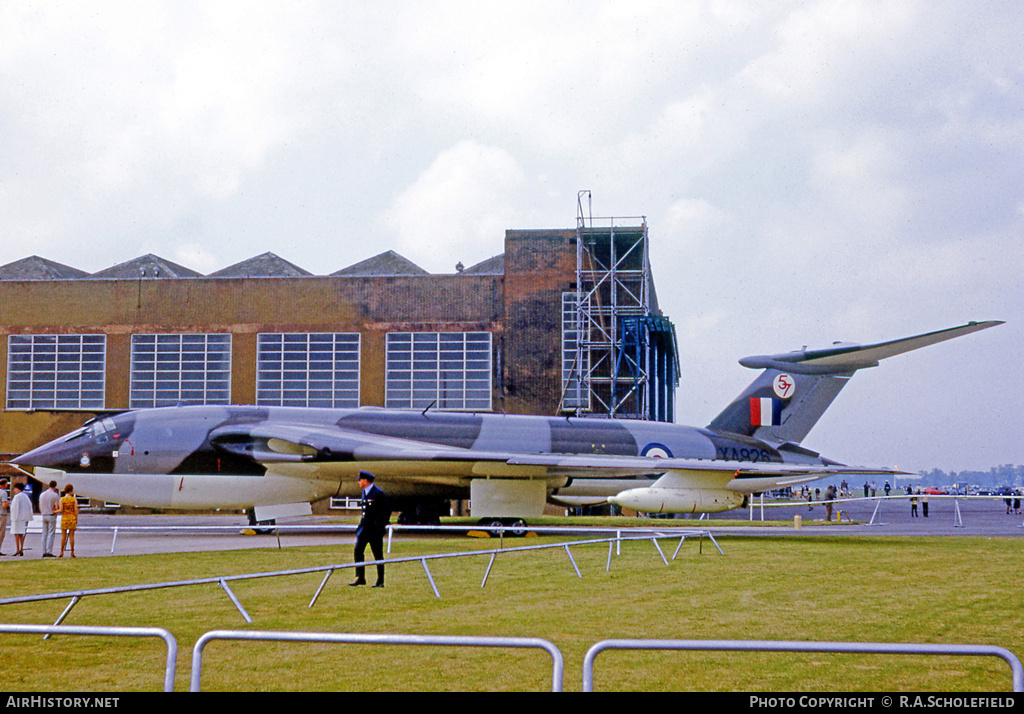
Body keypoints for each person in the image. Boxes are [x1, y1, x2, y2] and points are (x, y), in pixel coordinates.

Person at [350, 471, 390, 588]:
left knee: (377, 555)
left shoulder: (377, 493)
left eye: (360, 480)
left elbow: (386, 510)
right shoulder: (364, 492)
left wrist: (380, 525)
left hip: (375, 530)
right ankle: (360, 577)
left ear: (366, 481)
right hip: (364, 529)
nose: (358, 482)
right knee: (358, 550)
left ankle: (380, 580)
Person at [10, 483, 33, 557]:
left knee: (16, 534)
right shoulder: (25, 496)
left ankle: (17, 549)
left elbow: (15, 507)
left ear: (17, 489)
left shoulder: (17, 497)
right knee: (21, 534)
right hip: (23, 518)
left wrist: (14, 517)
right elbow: (29, 506)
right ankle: (21, 549)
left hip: (17, 518)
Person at [39, 480, 61, 558]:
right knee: (51, 533)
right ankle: (49, 551)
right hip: (51, 514)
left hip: (44, 514)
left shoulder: (42, 494)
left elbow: (40, 506)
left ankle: (43, 551)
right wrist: (55, 511)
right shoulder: (55, 495)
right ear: (55, 486)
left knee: (44, 533)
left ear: (48, 485)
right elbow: (57, 506)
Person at [59, 484, 78, 558]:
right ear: (71, 490)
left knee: (63, 536)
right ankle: (72, 552)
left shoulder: (62, 499)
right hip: (72, 518)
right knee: (71, 536)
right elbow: (76, 510)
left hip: (65, 518)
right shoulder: (74, 499)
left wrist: (55, 511)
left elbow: (61, 509)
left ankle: (61, 551)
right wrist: (76, 518)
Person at [0, 477, 9, 556]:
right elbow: (4, 505)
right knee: (1, 533)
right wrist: (9, 503)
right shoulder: (4, 493)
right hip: (1, 514)